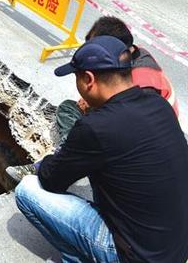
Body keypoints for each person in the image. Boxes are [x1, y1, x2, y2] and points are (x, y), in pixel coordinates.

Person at [14, 36, 188, 262]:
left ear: (88, 79)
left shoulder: (96, 127)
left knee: (27, 190)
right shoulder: (158, 103)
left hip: (137, 256)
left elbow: (50, 180)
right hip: (176, 249)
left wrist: (47, 162)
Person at [6, 16, 180, 182]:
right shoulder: (130, 57)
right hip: (133, 126)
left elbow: (128, 128)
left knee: (85, 134)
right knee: (69, 109)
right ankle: (72, 152)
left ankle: (66, 157)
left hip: (141, 145)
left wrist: (88, 132)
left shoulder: (144, 84)